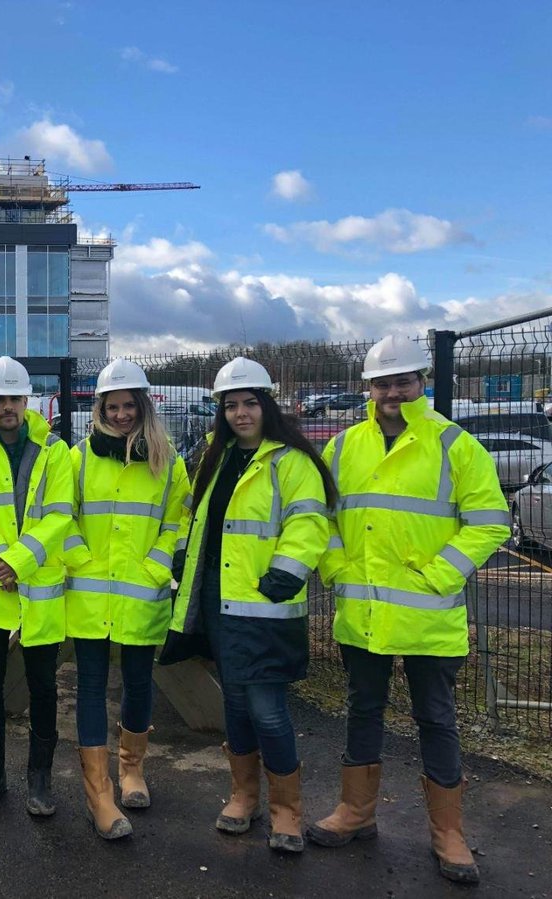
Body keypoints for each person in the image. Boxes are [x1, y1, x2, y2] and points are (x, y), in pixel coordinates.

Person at [308, 335, 508, 884]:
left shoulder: (455, 445)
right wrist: (337, 570)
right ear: (367, 388)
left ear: (422, 382)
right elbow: (319, 518)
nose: (393, 391)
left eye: (403, 381)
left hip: (428, 614)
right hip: (363, 612)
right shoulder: (345, 446)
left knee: (436, 719)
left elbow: (490, 521)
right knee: (362, 709)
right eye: (382, 382)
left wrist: (438, 574)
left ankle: (448, 833)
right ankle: (356, 813)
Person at [167, 357, 334, 854]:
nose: (241, 414)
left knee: (268, 710)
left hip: (265, 607)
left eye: (250, 403)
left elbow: (309, 522)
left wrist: (286, 570)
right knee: (235, 705)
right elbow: (198, 521)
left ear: (267, 405)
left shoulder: (290, 461)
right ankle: (244, 796)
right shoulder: (216, 461)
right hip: (220, 607)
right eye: (232, 405)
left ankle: (286, 811)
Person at [63, 359, 189, 840]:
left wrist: (155, 567)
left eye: (128, 406)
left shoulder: (168, 461)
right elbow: (62, 515)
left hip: (141, 592)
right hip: (91, 595)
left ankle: (132, 769)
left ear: (143, 406)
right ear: (99, 408)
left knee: (139, 684)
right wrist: (83, 562)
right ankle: (100, 794)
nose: (120, 415)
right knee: (91, 688)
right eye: (112, 406)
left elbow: (178, 522)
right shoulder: (78, 458)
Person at [0, 355, 73, 817]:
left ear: (28, 401)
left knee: (44, 687)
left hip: (36, 587)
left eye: (14, 398)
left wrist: (17, 563)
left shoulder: (54, 451)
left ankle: (39, 781)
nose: (7, 406)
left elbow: (60, 513)